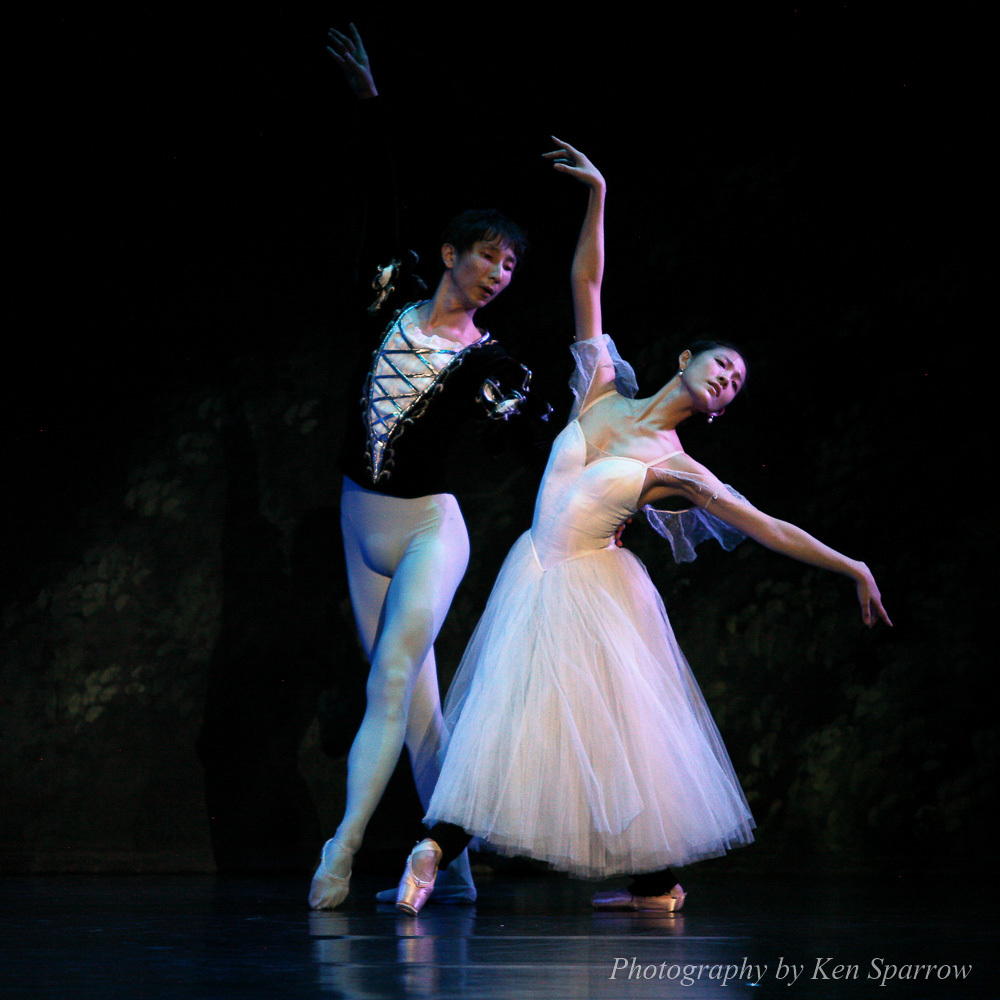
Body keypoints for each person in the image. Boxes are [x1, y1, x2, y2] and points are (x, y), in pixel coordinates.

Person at [391, 139, 891, 916]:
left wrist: (851, 564)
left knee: (571, 731)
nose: (726, 379)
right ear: (687, 358)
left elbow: (765, 526)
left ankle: (441, 847)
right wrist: (599, 194)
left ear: (720, 409)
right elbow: (586, 279)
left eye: (735, 387)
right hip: (536, 569)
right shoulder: (600, 385)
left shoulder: (679, 466)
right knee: (530, 726)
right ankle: (655, 886)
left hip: (593, 588)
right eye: (722, 364)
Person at [308, 26, 549, 910]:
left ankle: (340, 852)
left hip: (426, 531)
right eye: (489, 253)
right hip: (355, 518)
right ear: (451, 255)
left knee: (388, 680)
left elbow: (536, 439)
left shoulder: (493, 367)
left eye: (513, 263)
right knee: (419, 712)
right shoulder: (389, 293)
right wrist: (370, 104)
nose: (500, 271)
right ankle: (457, 856)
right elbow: (382, 203)